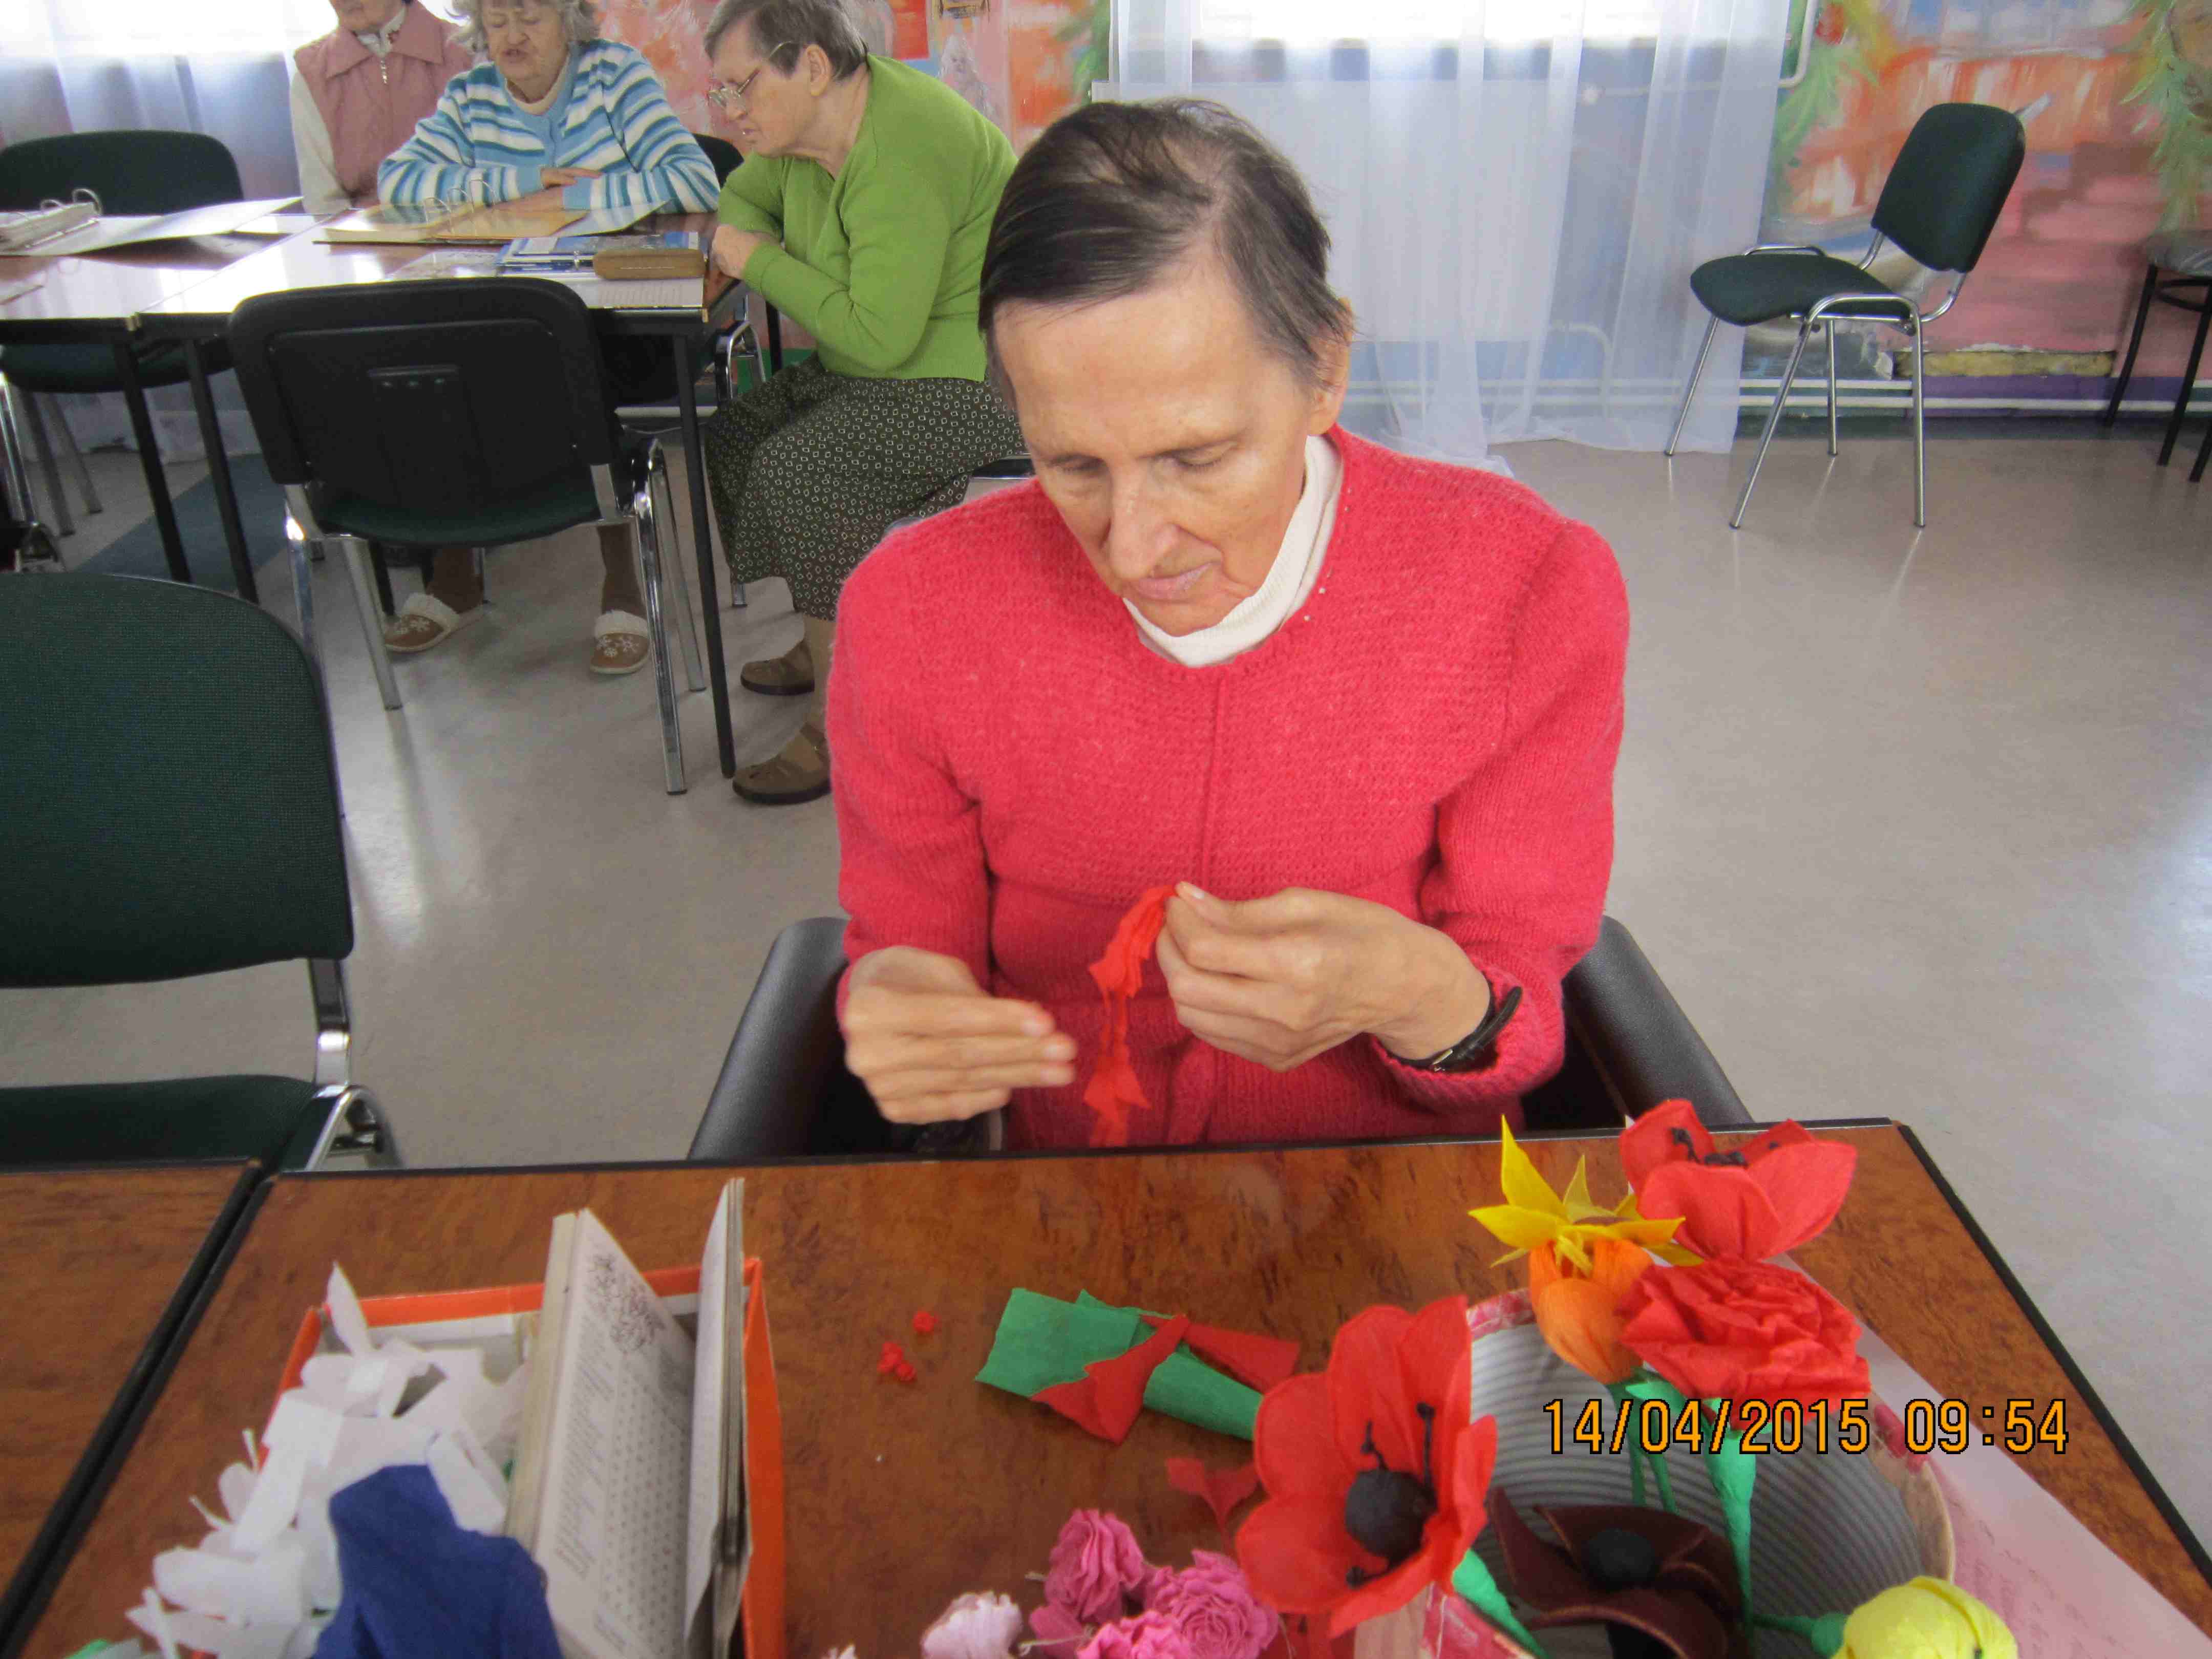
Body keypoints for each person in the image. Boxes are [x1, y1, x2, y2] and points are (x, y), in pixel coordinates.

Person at [830, 100, 1630, 1149]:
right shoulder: (912, 614)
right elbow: (907, 947)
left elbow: (1519, 1009)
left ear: (1325, 371)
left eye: (1196, 459)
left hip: (1397, 1176)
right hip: (1073, 1186)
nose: (1132, 551)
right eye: (1072, 466)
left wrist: (1413, 990)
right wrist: (902, 1004)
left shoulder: (1523, 591)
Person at [697, 0, 1026, 804]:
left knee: (803, 469)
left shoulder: (904, 145)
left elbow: (878, 337)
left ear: (811, 67)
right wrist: (747, 243)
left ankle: (841, 727)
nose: (732, 111)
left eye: (743, 86)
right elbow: (740, 196)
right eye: (723, 92)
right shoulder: (801, 136)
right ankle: (831, 631)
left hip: (969, 377)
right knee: (737, 435)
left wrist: (756, 261)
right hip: (875, 365)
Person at [375, 0, 719, 673]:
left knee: (570, 359)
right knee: (440, 366)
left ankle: (623, 581)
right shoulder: (471, 95)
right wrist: (527, 182)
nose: (512, 36)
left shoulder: (615, 75)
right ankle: (454, 574)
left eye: (530, 17)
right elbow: (399, 183)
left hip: (618, 323)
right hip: (508, 318)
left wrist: (572, 200)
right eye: (497, 20)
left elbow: (693, 179)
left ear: (568, 19)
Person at [291, 0, 475, 216]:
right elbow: (324, 205)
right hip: (360, 234)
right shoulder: (313, 73)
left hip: (469, 227)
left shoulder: (468, 51)